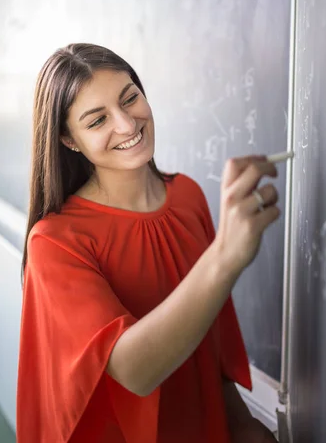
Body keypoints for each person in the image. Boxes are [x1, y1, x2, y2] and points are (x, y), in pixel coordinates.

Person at [16, 43, 279, 443]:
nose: (127, 124)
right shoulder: (55, 242)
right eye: (98, 120)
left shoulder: (188, 195)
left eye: (130, 98)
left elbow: (211, 343)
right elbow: (135, 370)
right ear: (69, 140)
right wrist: (225, 257)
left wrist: (243, 427)